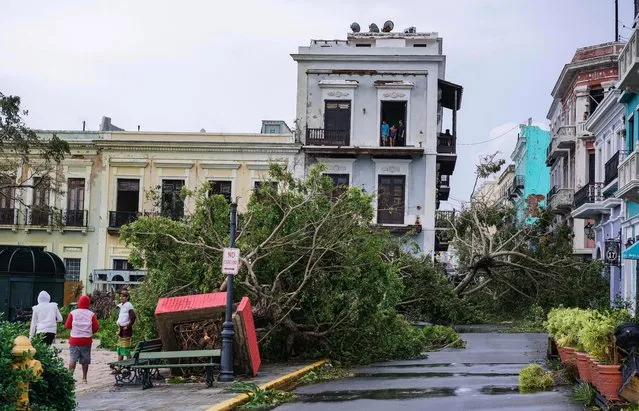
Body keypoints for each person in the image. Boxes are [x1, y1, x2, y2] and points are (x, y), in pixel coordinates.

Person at [65, 295, 99, 384]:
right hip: (86, 340)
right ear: (88, 303)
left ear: (79, 303)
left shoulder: (73, 313)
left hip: (74, 340)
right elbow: (96, 327)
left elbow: (67, 326)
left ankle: (69, 377)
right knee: (85, 360)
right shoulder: (91, 314)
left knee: (73, 359)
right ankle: (84, 378)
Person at [116, 290, 136, 361]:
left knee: (125, 349)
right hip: (121, 330)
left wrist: (128, 326)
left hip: (126, 331)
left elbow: (133, 317)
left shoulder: (128, 305)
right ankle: (119, 367)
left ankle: (129, 366)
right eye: (120, 296)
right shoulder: (122, 305)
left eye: (123, 296)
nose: (121, 298)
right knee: (120, 348)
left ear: (127, 297)